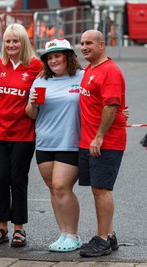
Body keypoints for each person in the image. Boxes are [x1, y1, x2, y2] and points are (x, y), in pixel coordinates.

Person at [0, 23, 42, 247]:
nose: (11, 45)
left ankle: (19, 228)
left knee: (18, 180)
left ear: (23, 42)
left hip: (23, 135)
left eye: (15, 41)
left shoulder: (36, 66)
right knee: (0, 179)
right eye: (7, 41)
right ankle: (2, 227)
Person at [25, 38, 84, 252]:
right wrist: (33, 104)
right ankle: (63, 233)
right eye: (49, 57)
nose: (53, 60)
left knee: (61, 187)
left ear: (68, 56)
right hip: (45, 141)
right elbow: (31, 114)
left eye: (57, 56)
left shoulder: (82, 77)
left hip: (71, 142)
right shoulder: (41, 80)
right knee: (53, 189)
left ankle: (74, 235)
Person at [77, 29, 127, 257]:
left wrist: (99, 137)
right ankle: (108, 234)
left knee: (101, 189)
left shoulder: (110, 71)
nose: (84, 47)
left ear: (102, 45)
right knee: (97, 190)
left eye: (89, 43)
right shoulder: (90, 68)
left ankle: (103, 240)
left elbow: (111, 105)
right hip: (90, 141)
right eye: (81, 43)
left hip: (105, 142)